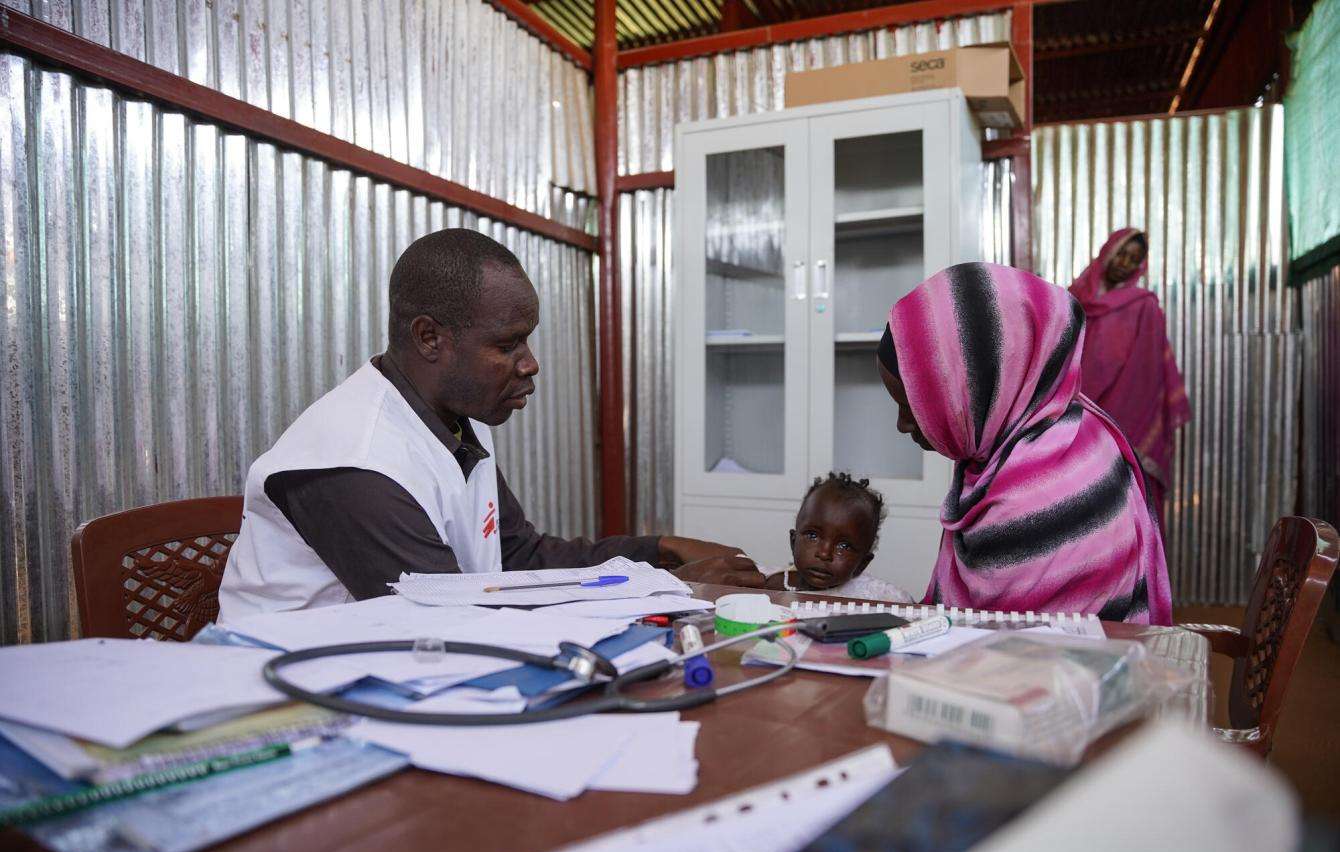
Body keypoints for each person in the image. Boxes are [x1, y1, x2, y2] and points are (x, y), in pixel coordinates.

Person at [219, 229, 762, 620]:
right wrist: (657, 587)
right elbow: (450, 620)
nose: (530, 363)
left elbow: (518, 558)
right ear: (430, 338)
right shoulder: (352, 460)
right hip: (289, 707)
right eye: (508, 344)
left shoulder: (447, 425)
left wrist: (659, 550)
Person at [877, 262, 1173, 625]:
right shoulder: (1061, 431)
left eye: (914, 407)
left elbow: (1012, 660)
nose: (901, 425)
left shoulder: (1047, 495)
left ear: (975, 391)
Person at [1068, 228, 1190, 523]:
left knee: (1120, 517)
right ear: (1107, 250)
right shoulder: (1073, 299)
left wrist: (1114, 427)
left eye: (1133, 259)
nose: (1124, 262)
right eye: (1121, 253)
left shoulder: (1142, 305)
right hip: (1074, 415)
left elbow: (1146, 377)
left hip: (1123, 422)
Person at [758, 473, 912, 602]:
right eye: (812, 535)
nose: (824, 554)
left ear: (862, 564)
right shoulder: (768, 584)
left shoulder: (880, 597)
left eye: (844, 546)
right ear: (793, 542)